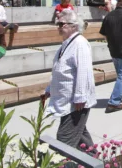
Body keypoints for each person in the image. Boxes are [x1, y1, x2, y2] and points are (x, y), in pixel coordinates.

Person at [41, 9, 97, 150]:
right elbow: (59, 69)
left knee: (64, 140)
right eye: (58, 24)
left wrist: (80, 97)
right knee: (80, 134)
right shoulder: (67, 43)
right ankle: (94, 160)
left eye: (61, 24)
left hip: (74, 102)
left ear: (73, 26)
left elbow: (83, 71)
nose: (58, 27)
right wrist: (49, 90)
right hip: (66, 100)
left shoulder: (80, 43)